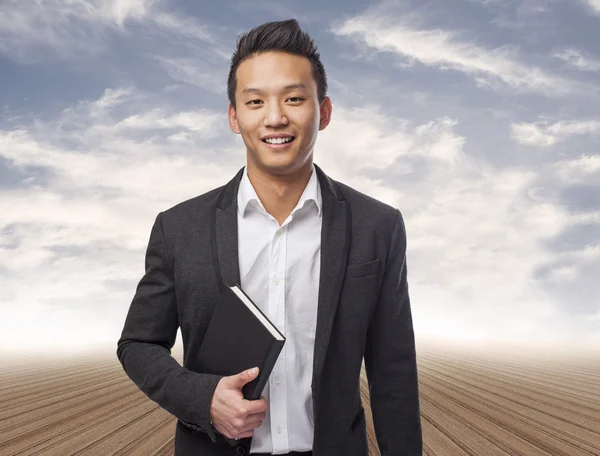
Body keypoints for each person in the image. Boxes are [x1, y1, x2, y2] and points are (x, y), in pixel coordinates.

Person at [117, 19, 422, 456]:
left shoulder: (378, 225)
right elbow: (138, 343)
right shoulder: (179, 228)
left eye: (294, 99)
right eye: (255, 101)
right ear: (234, 117)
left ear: (325, 111)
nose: (276, 117)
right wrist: (201, 398)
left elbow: (393, 371)